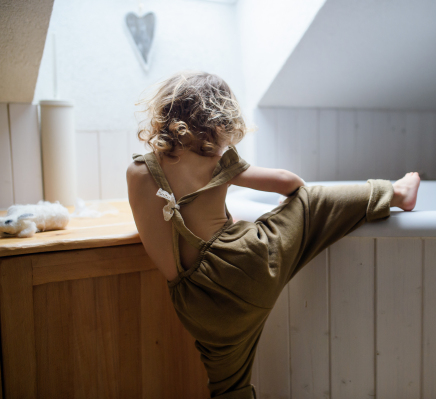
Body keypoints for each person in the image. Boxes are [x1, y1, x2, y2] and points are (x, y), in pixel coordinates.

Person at [126, 71, 420, 399]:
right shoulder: (213, 160)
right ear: (218, 121)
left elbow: (169, 244)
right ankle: (395, 193)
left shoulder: (138, 171)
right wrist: (289, 204)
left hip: (197, 305)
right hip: (243, 270)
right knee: (312, 203)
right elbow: (288, 180)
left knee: (228, 386)